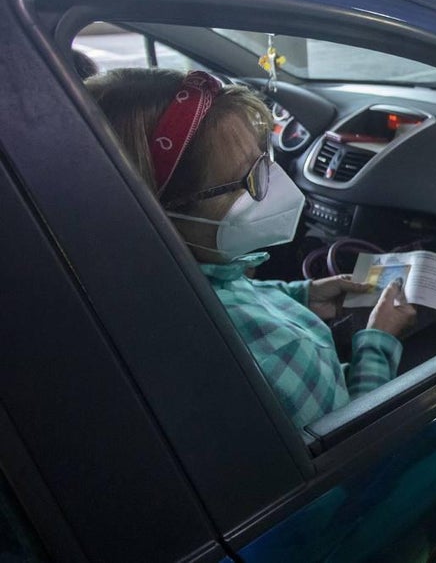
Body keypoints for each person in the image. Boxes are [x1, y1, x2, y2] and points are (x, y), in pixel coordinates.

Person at [88, 67, 417, 429]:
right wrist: (378, 342)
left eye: (266, 161)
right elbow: (357, 439)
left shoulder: (168, 274)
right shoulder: (271, 356)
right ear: (157, 211)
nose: (275, 186)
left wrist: (303, 295)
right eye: (244, 180)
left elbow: (225, 288)